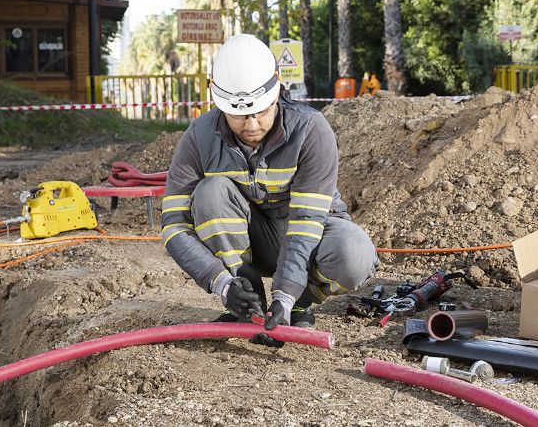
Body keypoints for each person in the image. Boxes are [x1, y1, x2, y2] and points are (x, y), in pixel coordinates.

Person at [161, 34, 378, 345]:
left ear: (277, 90)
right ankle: (247, 301)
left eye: (261, 111)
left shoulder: (310, 131)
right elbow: (174, 227)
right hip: (252, 242)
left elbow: (305, 223)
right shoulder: (199, 137)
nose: (251, 125)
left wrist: (287, 297)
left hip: (308, 236)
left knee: (355, 253)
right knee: (211, 192)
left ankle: (301, 300)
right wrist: (222, 283)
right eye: (238, 115)